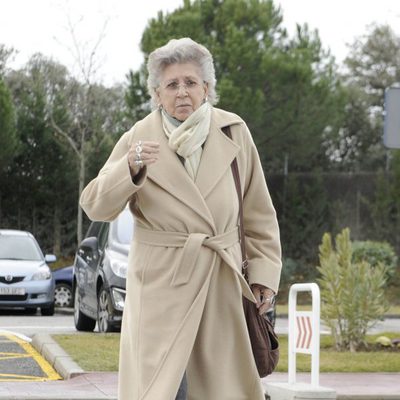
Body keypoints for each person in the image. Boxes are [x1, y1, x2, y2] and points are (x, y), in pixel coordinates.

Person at [80, 37, 282, 400]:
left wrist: (265, 277)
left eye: (190, 82)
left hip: (220, 282)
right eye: (171, 85)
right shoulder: (139, 138)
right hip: (161, 288)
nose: (182, 92)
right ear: (157, 95)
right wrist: (131, 166)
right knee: (164, 389)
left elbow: (259, 214)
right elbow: (95, 205)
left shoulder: (234, 131)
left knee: (220, 388)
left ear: (207, 88)